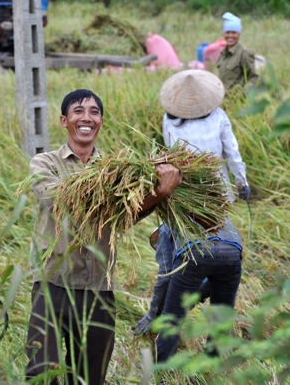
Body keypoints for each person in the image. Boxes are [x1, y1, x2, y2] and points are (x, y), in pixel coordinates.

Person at [25, 89, 182, 385]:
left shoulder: (117, 169)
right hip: (52, 284)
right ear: (64, 120)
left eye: (94, 112)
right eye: (78, 112)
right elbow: (63, 203)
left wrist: (160, 192)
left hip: (99, 287)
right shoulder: (44, 164)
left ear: (101, 122)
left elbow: (123, 217)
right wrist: (131, 189)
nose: (86, 118)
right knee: (41, 373)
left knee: (89, 377)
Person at [136, 69, 247, 351]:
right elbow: (232, 153)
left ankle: (156, 316)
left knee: (171, 263)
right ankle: (192, 301)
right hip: (216, 201)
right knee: (216, 249)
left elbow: (172, 159)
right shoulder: (220, 116)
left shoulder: (169, 121)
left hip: (182, 198)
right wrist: (242, 182)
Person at [216, 12, 258, 92]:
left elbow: (253, 77)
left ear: (239, 34)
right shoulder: (222, 54)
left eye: (234, 33)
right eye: (227, 32)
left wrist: (243, 94)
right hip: (223, 99)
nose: (230, 36)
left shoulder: (244, 53)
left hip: (237, 101)